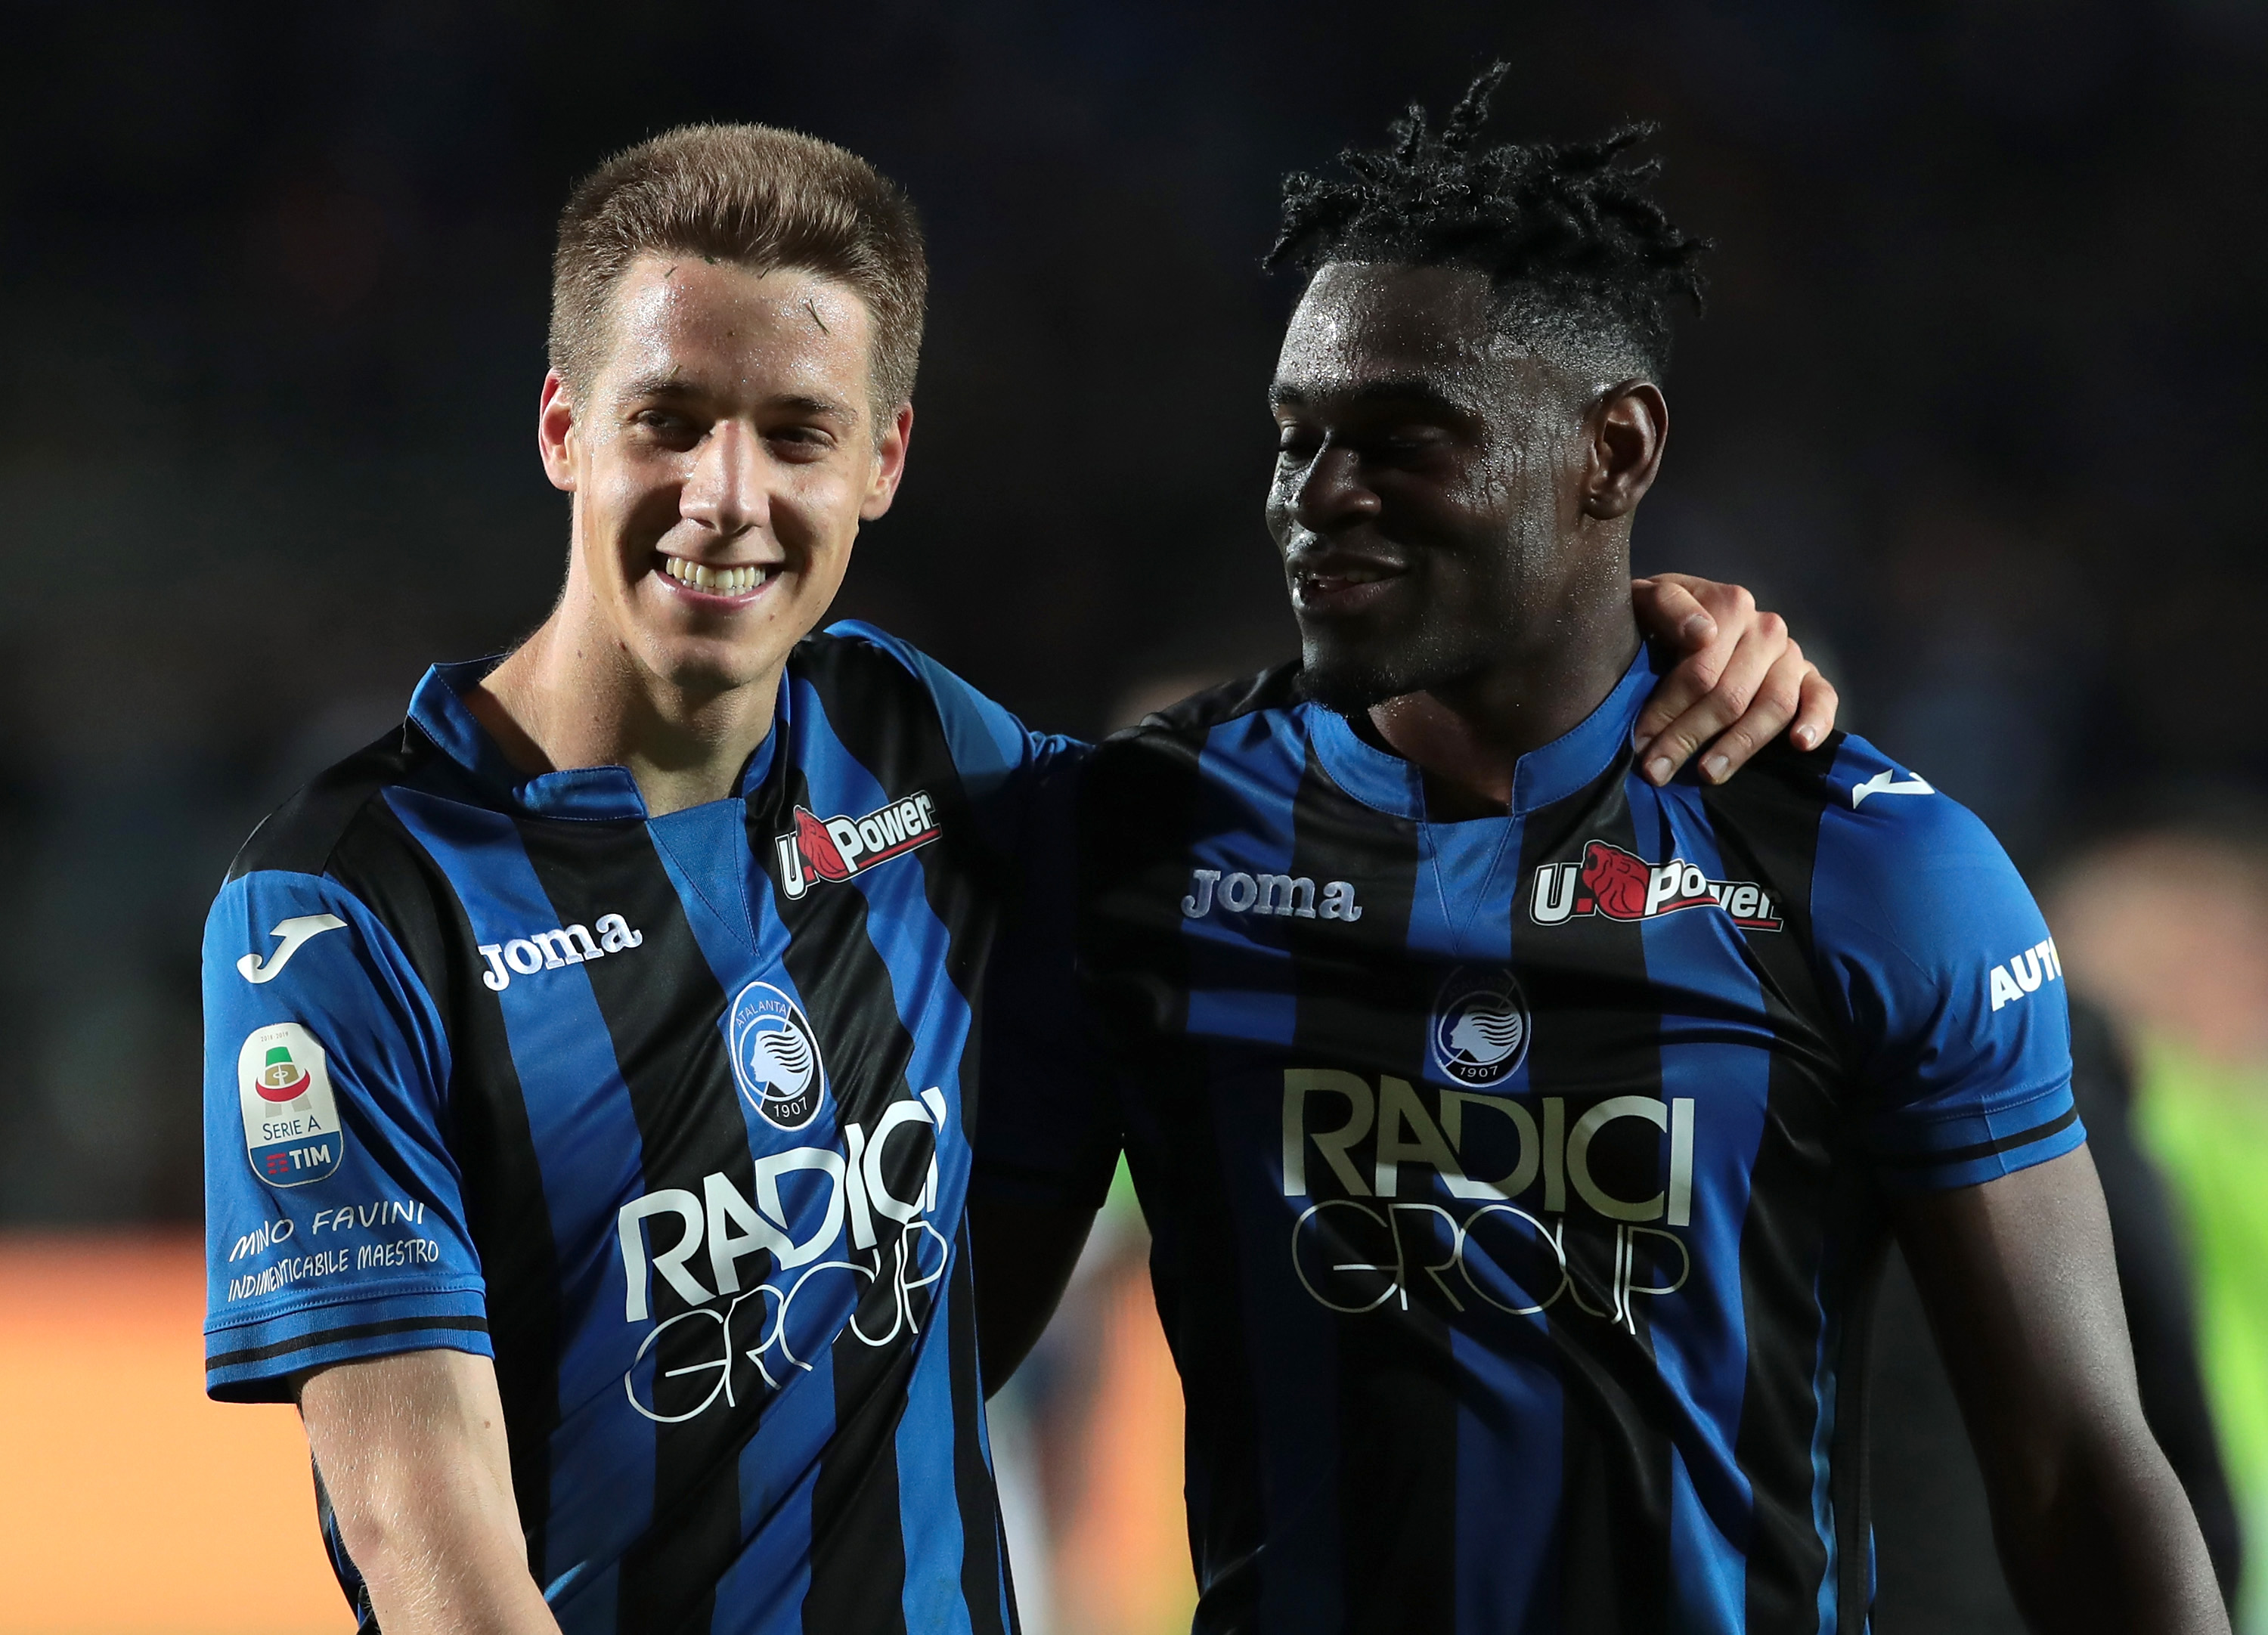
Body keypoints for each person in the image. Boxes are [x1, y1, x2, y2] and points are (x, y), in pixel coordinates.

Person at [199, 122, 1824, 1634]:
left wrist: (1608, 621)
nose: (728, 496)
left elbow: (1307, 774)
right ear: (564, 426)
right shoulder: (345, 912)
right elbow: (431, 1542)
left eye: (796, 434)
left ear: (884, 459)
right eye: (669, 418)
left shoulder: (927, 760)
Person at [968, 67, 2228, 1635]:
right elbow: (929, 1377)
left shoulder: (1873, 867)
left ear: (1615, 451)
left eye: (1403, 440)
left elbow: (2079, 1473)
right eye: (1296, 439)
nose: (1320, 500)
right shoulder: (1138, 835)